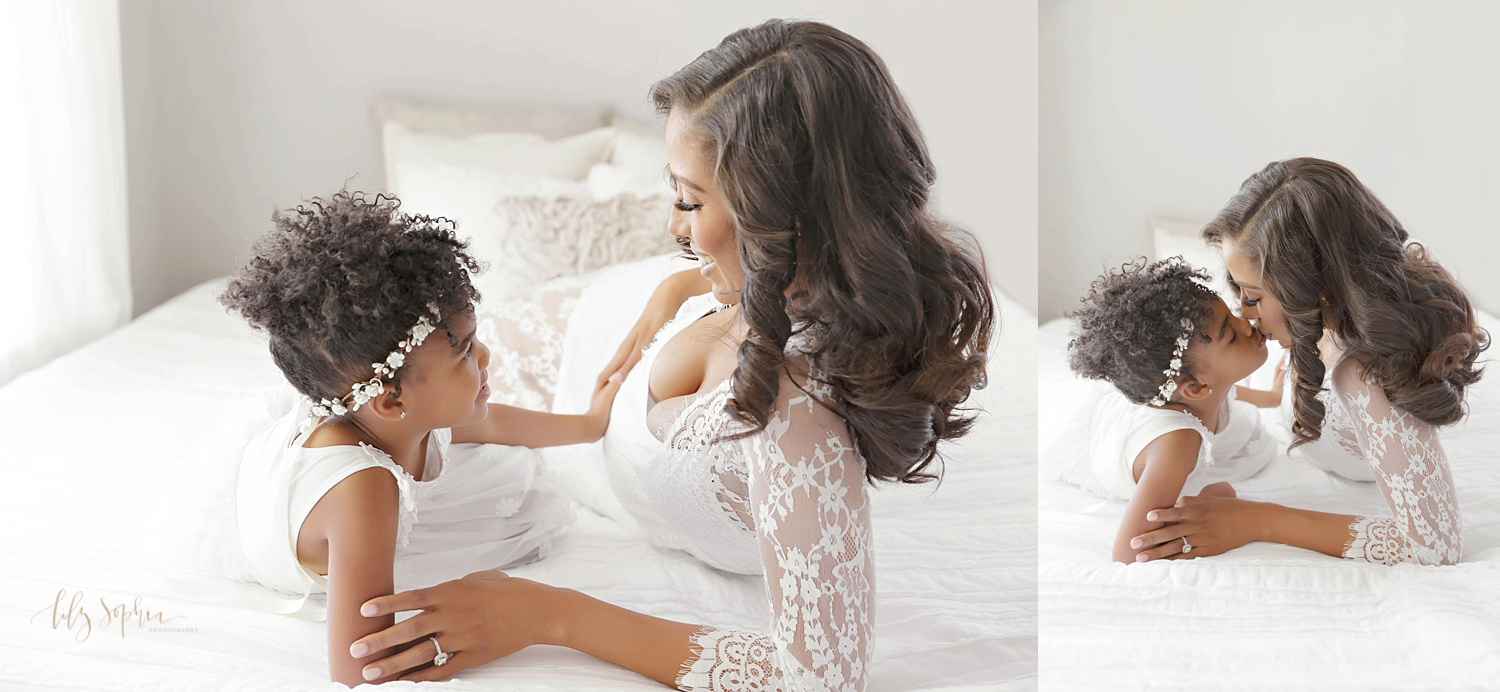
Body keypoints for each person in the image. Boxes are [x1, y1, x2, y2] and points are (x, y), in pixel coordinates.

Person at [343, 19, 995, 690]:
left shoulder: (795, 407)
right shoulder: (770, 277)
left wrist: (549, 615)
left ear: (790, 220)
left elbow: (818, 676)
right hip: (579, 328)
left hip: (567, 392)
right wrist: (677, 285)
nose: (673, 225)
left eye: (689, 200)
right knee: (343, 397)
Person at [219, 192, 622, 685]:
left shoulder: (392, 409)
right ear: (389, 400)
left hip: (359, 481)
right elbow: (358, 664)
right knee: (504, 501)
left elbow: (487, 422)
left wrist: (589, 423)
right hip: (323, 516)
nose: (488, 357)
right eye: (466, 353)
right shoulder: (364, 491)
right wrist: (500, 605)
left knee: (499, 463)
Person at [1130, 158, 1488, 566]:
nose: (1245, 314)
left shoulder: (1363, 376)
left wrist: (1255, 521)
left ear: (1313, 286)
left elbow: (1433, 545)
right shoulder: (1318, 326)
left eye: (1253, 295)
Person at [1056, 257, 1279, 563]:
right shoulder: (1178, 444)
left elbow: (1231, 391)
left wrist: (1274, 397)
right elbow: (1127, 553)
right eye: (1230, 334)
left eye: (1232, 314)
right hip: (1109, 444)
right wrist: (1215, 498)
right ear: (1196, 388)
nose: (1246, 322)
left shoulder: (1204, 390)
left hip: (1136, 410)